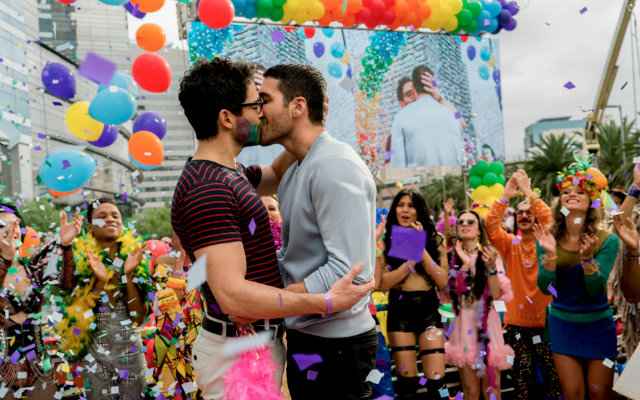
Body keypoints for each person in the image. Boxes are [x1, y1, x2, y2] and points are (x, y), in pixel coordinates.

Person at [173, 58, 373, 400]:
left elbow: (283, 167)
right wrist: (322, 301)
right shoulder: (209, 186)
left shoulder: (231, 173)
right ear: (226, 118)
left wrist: (307, 124)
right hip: (239, 352)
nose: (261, 113)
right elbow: (235, 298)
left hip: (281, 344)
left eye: (265, 103)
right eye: (255, 104)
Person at [259, 63, 378, 399]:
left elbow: (349, 272)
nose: (258, 112)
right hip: (309, 338)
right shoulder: (298, 164)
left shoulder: (333, 165)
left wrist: (270, 303)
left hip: (339, 350)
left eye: (264, 100)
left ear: (298, 106)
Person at [534, 159, 620, 400]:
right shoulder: (547, 238)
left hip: (599, 327)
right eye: (566, 192)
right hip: (562, 325)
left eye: (580, 191)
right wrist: (550, 259)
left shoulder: (607, 240)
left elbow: (594, 289)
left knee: (599, 392)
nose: (572, 195)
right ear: (560, 200)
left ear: (592, 201)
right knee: (572, 393)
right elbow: (546, 288)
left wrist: (587, 260)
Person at [58, 198, 153, 400]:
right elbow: (71, 302)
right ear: (90, 226)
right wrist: (66, 247)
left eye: (115, 215)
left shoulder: (133, 256)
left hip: (129, 351)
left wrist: (126, 276)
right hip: (94, 353)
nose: (110, 219)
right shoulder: (80, 256)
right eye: (102, 216)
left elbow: (137, 317)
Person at [485, 170, 561, 400]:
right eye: (520, 213)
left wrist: (528, 192)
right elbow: (490, 226)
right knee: (522, 379)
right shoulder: (511, 243)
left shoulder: (547, 240)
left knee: (553, 379)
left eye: (530, 213)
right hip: (518, 323)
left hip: (547, 320)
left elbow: (550, 218)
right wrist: (505, 196)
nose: (525, 216)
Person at [375, 189, 449, 400]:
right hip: (400, 309)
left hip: (428, 308)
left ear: (419, 211)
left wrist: (420, 248)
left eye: (411, 205)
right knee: (407, 382)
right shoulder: (386, 240)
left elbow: (443, 281)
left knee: (437, 380)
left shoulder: (436, 240)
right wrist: (409, 264)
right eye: (401, 205)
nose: (405, 210)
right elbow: (381, 285)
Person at [446, 210, 514, 400]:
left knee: (492, 388)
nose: (465, 224)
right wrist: (463, 260)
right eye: (461, 222)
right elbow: (449, 294)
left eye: (471, 222)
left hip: (487, 324)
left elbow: (495, 294)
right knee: (470, 390)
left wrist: (489, 268)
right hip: (463, 326)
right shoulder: (451, 257)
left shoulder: (490, 254)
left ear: (478, 230)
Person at [0, 203, 63, 399]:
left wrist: (66, 246)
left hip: (38, 367)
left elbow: (64, 284)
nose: (12, 230)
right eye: (3, 225)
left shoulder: (31, 268)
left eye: (16, 224)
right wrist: (7, 261)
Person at [390, 65, 465, 168]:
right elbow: (396, 165)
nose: (415, 96)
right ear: (401, 103)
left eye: (415, 92)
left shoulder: (446, 112)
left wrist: (440, 99)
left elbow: (461, 122)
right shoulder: (399, 122)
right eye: (409, 94)